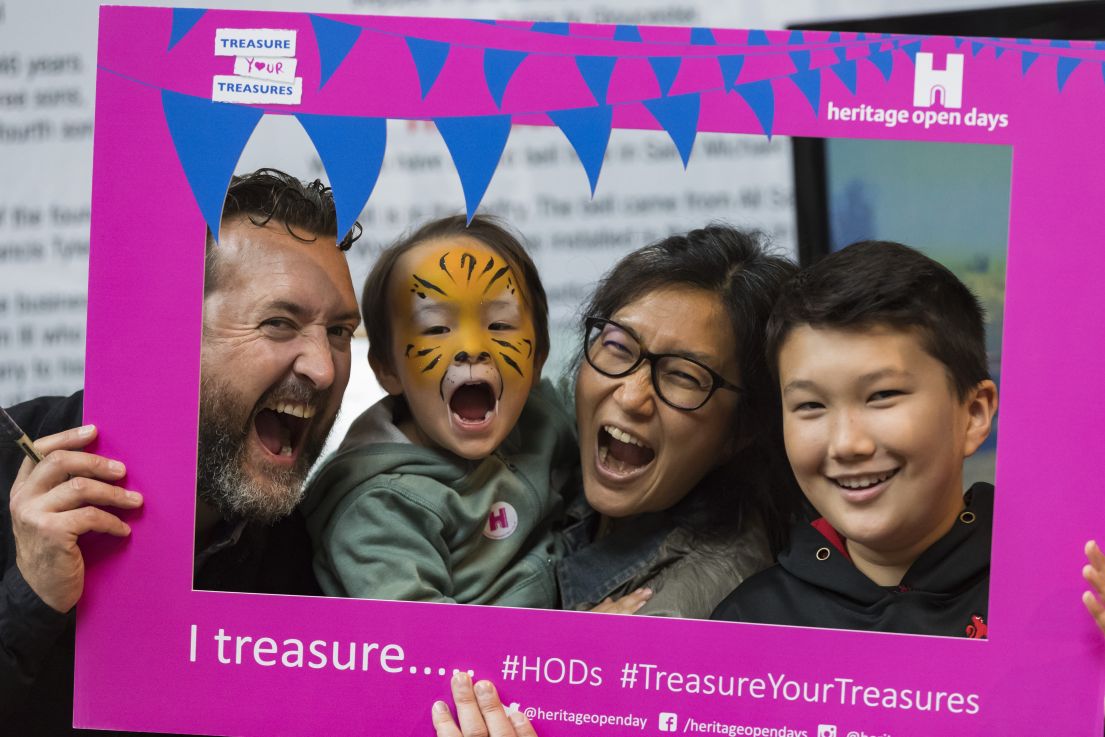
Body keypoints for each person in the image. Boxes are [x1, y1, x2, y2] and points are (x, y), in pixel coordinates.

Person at [1, 168, 360, 732]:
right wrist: (30, 597)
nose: (324, 367)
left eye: (339, 331)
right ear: (165, 331)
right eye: (278, 323)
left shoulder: (307, 549)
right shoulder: (8, 470)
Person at [712, 241, 998, 635]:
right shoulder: (749, 626)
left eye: (882, 396)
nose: (847, 444)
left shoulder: (1061, 596)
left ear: (973, 414)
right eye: (811, 405)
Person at [301, 215, 576, 606]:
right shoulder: (380, 508)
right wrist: (585, 636)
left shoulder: (544, 419)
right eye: (435, 329)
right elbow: (424, 643)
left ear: (538, 358)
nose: (472, 347)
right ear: (388, 369)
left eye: (500, 325)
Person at [556, 225, 804, 619]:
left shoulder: (703, 601)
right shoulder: (544, 465)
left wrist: (572, 657)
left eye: (684, 376)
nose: (631, 396)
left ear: (741, 431)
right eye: (619, 347)